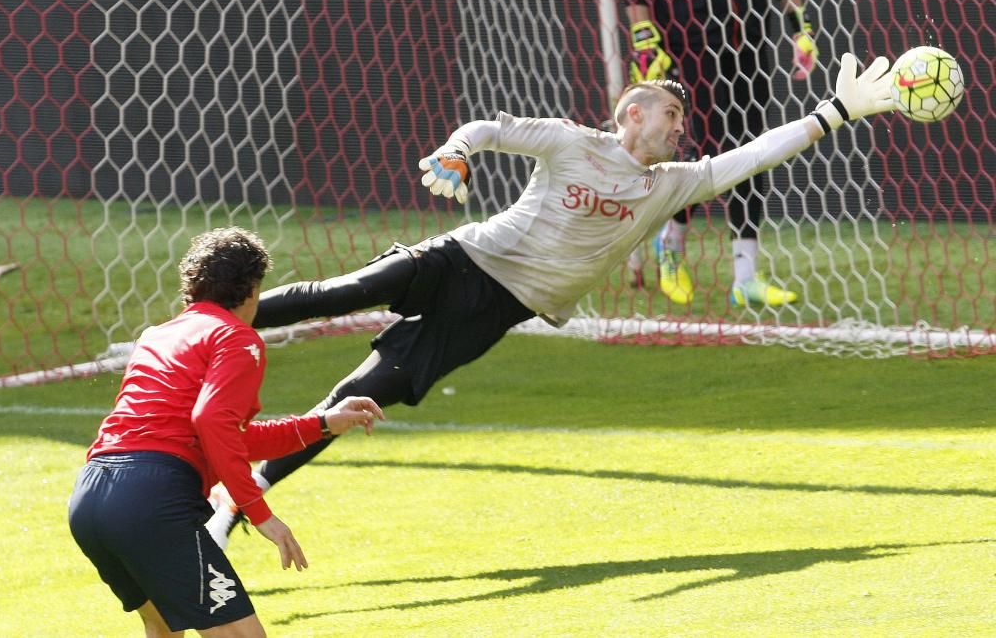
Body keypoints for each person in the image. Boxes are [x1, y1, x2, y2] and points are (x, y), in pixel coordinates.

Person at [207, 54, 896, 547]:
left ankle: (237, 502)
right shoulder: (572, 143)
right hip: (462, 257)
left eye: (684, 118)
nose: (682, 127)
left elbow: (756, 155)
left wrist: (831, 113)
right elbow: (487, 130)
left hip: (495, 309)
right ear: (632, 113)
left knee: (358, 397)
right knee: (345, 291)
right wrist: (456, 152)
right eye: (672, 113)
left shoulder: (674, 183)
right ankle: (199, 320)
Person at [67, 227, 385, 637]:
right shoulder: (237, 338)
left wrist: (321, 425)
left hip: (91, 499)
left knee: (162, 625)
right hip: (151, 498)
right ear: (252, 289)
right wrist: (259, 512)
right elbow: (213, 422)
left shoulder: (156, 336)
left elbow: (222, 436)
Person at [622, 0, 820, 306]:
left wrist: (802, 30)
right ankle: (671, 240)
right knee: (716, 146)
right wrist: (645, 44)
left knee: (752, 147)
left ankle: (746, 279)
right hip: (691, 42)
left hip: (749, 36)